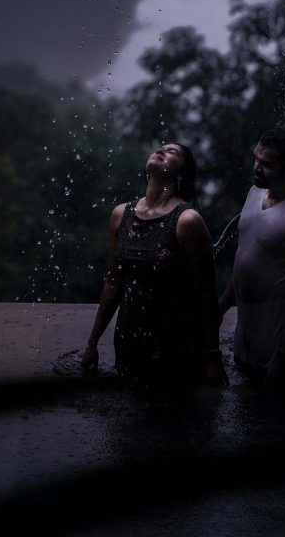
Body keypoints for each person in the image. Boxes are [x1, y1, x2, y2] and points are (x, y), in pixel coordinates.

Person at [81, 141, 228, 392]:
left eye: (173, 152)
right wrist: (92, 344)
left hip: (176, 344)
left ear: (181, 173)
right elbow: (114, 281)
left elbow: (206, 293)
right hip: (129, 341)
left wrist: (212, 356)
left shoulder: (187, 221)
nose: (162, 151)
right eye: (161, 148)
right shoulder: (121, 214)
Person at [218, 127, 285, 388]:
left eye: (266, 163)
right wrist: (221, 307)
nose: (256, 167)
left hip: (280, 352)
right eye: (256, 158)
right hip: (246, 344)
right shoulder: (254, 193)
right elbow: (246, 260)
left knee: (283, 423)